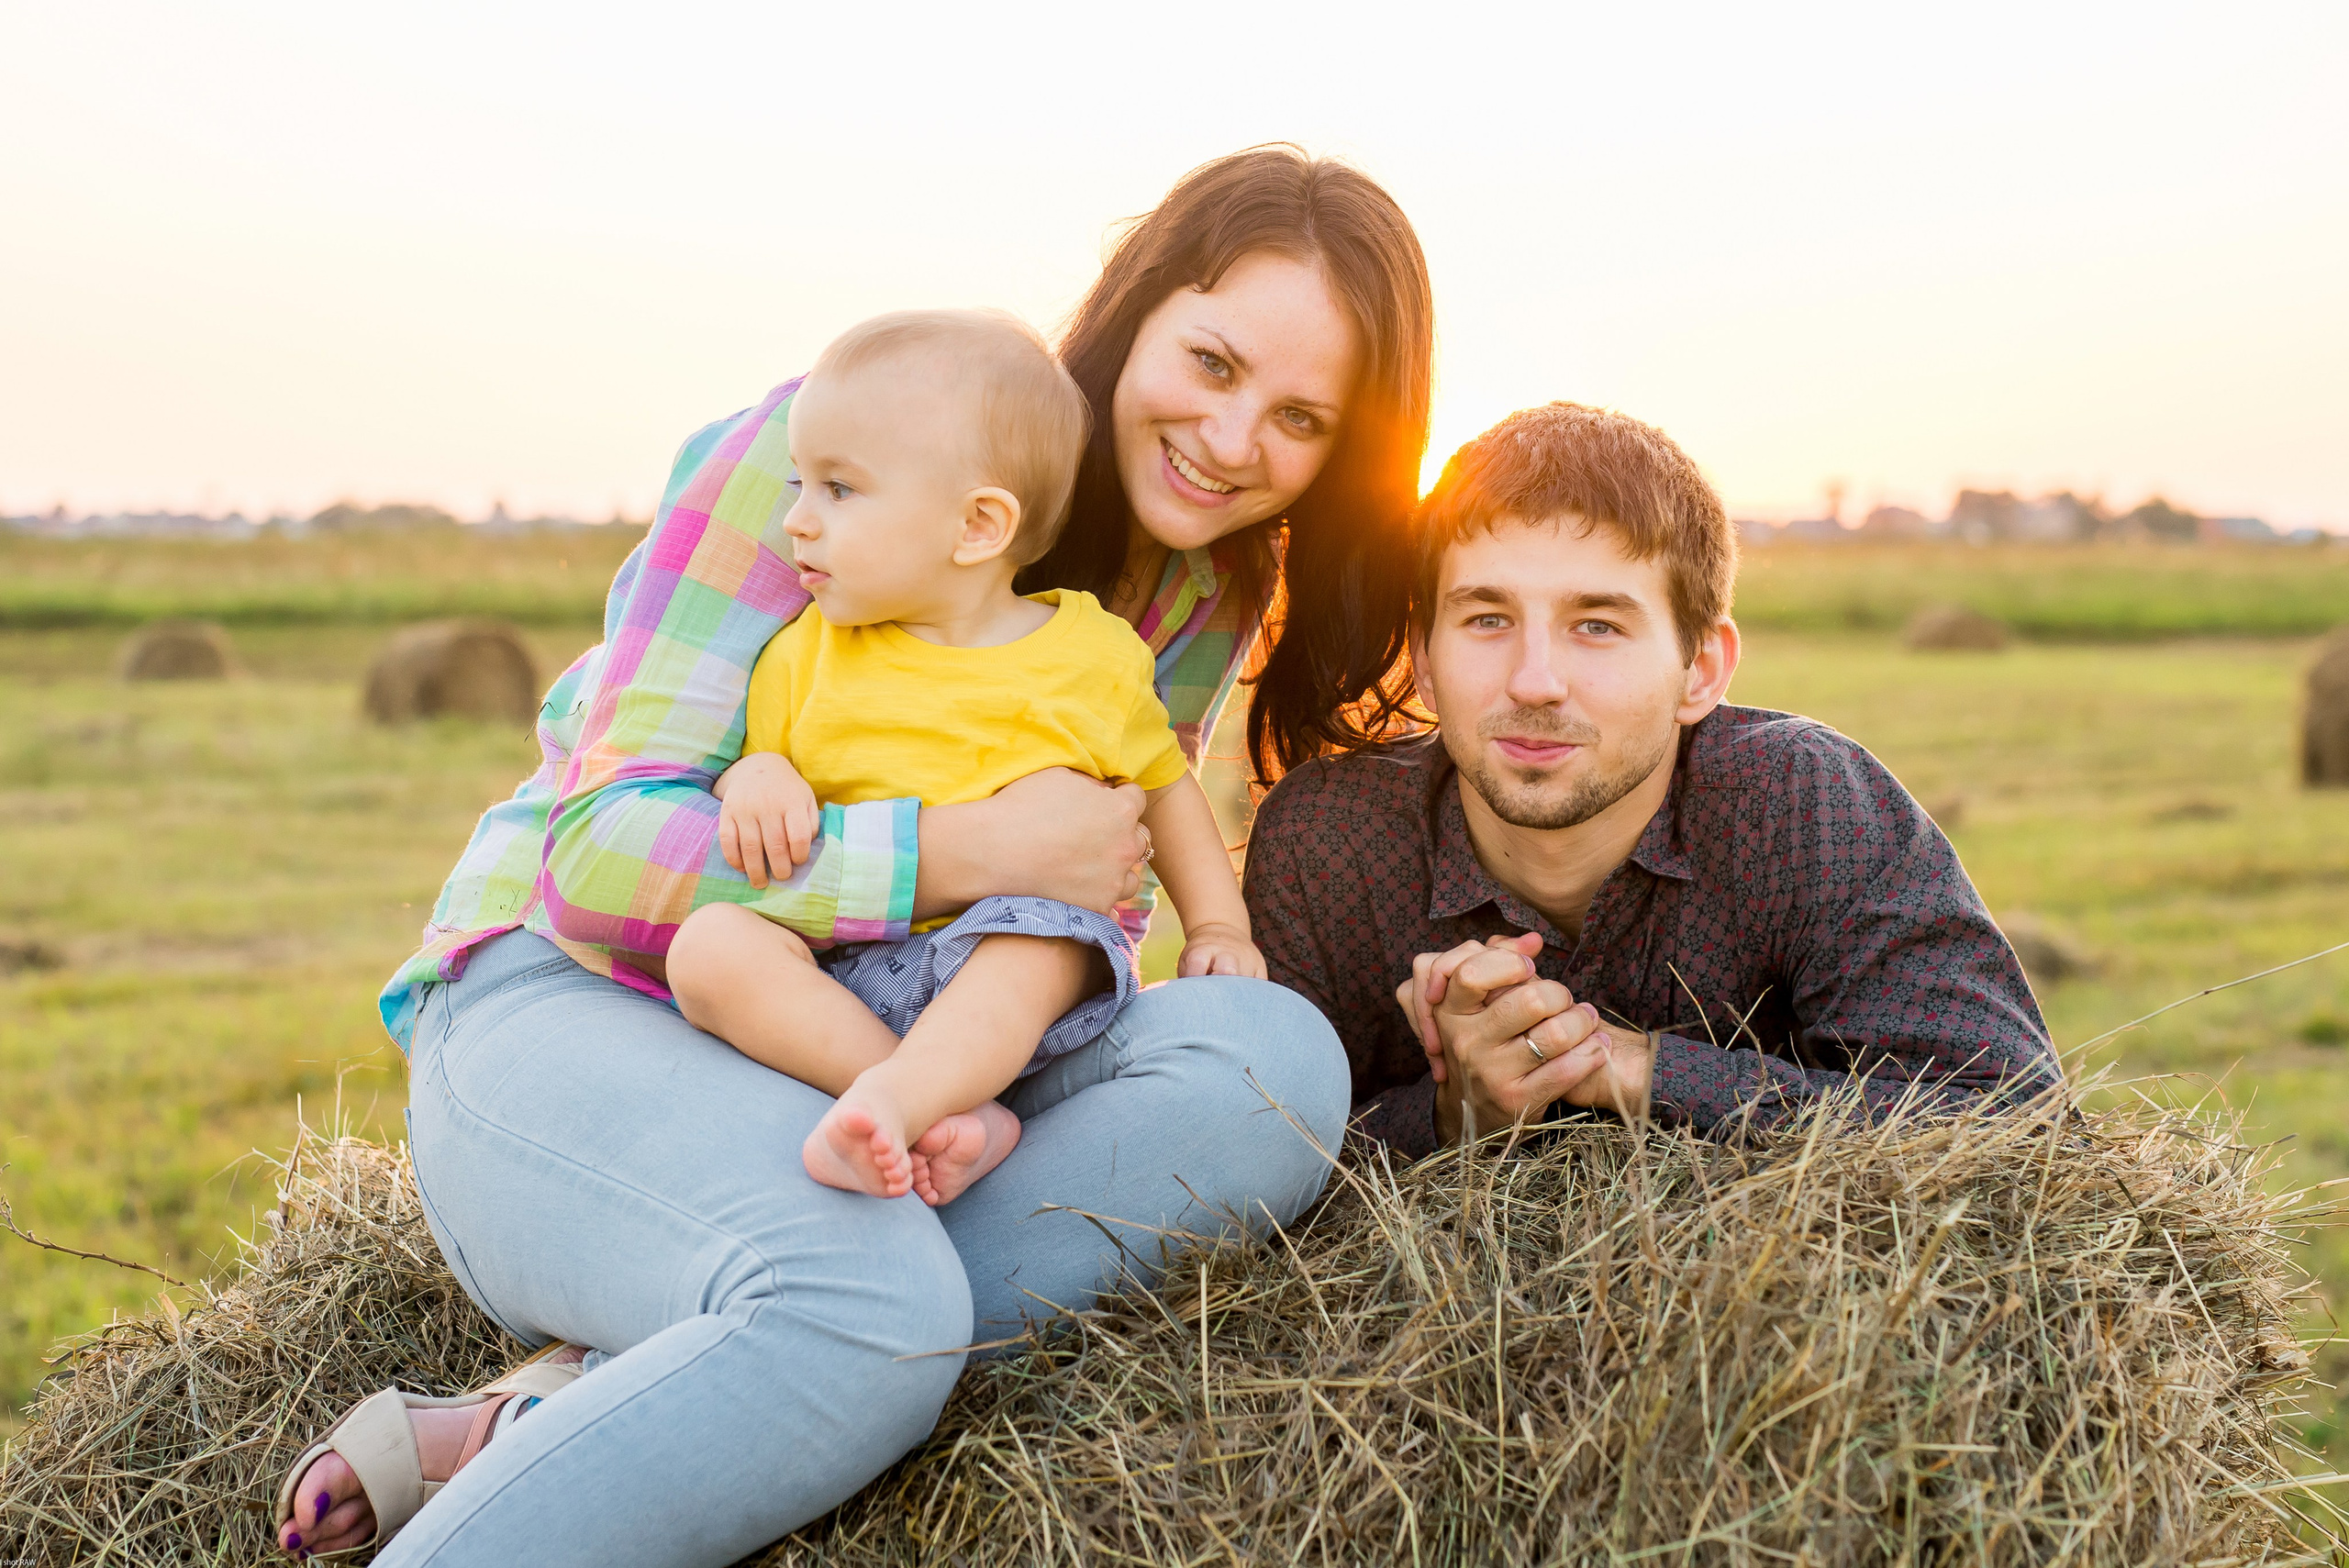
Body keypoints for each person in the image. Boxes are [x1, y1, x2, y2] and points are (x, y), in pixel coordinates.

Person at [274, 144, 1432, 1565]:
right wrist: (948, 849)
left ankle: (590, 1401)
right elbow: (608, 857)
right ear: (1139, 312)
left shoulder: (1201, 592)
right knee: (875, 1303)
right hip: (576, 997)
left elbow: (1080, 899)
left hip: (886, 1043)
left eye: (1300, 417)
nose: (1235, 437)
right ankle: (758, 1341)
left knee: (1276, 1064)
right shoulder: (834, 451)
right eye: (1211, 361)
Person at [1244, 403, 2062, 1158]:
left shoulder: (1807, 804)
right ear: (1423, 660)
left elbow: (2018, 1122)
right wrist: (1452, 1115)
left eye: (1595, 625)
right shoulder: (1325, 844)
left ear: (1699, 669)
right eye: (1487, 619)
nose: (1534, 680)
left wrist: (1629, 1068)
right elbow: (1240, 1168)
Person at [665, 309, 1264, 1207]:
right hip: (848, 963)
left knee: (1036, 944)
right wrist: (757, 779)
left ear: (978, 525)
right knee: (709, 946)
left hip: (1013, 950)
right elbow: (755, 765)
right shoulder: (806, 651)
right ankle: (925, 1101)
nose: (796, 520)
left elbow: (1164, 789)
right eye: (799, 483)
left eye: (839, 490)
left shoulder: (1085, 655)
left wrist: (1217, 926)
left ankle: (898, 1101)